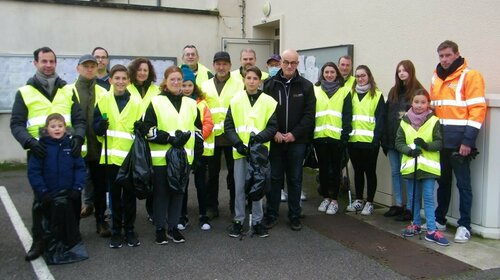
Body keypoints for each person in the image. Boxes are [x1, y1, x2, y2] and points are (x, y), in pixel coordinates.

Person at [10, 46, 86, 261]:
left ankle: (71, 237)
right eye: (43, 61)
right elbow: (16, 124)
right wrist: (30, 143)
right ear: (35, 63)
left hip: (66, 150)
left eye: (51, 61)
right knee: (42, 200)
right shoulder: (25, 92)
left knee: (72, 197)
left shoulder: (67, 90)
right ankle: (40, 241)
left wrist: (78, 138)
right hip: (41, 153)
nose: (48, 65)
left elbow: (79, 120)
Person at [429, 40, 486, 243]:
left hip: (461, 143)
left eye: (447, 55)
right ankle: (439, 219)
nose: (444, 59)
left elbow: (477, 111)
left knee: (463, 185)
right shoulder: (436, 77)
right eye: (441, 56)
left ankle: (465, 225)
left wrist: (468, 141)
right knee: (442, 183)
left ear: (456, 54)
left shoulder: (470, 76)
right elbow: (432, 109)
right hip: (440, 142)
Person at [143, 66, 201, 244]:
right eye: (172, 80)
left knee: (178, 194)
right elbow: (148, 130)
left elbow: (198, 131)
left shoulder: (191, 103)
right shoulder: (156, 102)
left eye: (179, 80)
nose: (176, 83)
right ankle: (160, 228)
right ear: (165, 82)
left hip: (184, 158)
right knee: (161, 194)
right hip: (162, 158)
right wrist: (168, 138)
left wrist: (198, 156)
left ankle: (174, 227)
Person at [262, 49, 316, 231]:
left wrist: (294, 134)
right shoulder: (269, 85)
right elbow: (265, 113)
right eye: (286, 62)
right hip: (275, 140)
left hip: (297, 141)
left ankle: (294, 215)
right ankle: (272, 214)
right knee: (275, 178)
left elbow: (309, 116)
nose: (289, 66)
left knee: (295, 179)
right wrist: (274, 132)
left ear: (297, 64)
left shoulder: (306, 86)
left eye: (293, 63)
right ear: (280, 63)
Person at [224, 66, 278, 238]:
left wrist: (260, 138)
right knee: (240, 188)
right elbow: (229, 126)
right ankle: (239, 221)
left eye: (255, 78)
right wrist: (237, 143)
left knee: (257, 188)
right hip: (241, 151)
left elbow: (273, 126)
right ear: (244, 80)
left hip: (259, 153)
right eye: (249, 78)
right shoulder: (235, 100)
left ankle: (257, 222)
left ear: (260, 81)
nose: (252, 81)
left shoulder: (269, 101)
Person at [27, 113, 88, 263]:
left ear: (65, 129)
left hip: (70, 193)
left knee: (70, 221)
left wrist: (77, 188)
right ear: (47, 129)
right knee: (50, 223)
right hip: (49, 194)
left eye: (60, 126)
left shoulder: (71, 146)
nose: (57, 129)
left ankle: (71, 246)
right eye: (53, 126)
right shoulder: (41, 148)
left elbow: (80, 168)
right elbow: (34, 172)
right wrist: (42, 191)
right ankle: (50, 247)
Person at [94, 64, 142, 248]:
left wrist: (141, 129)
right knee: (114, 197)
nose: (121, 81)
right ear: (110, 80)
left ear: (129, 81)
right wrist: (99, 127)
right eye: (117, 78)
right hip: (111, 158)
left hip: (129, 159)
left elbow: (140, 130)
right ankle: (116, 231)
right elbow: (96, 127)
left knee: (129, 197)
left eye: (124, 78)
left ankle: (129, 230)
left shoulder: (136, 103)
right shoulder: (104, 101)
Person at [396, 89, 449, 246]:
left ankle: (432, 230)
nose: (419, 105)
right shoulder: (404, 121)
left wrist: (426, 145)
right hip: (412, 167)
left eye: (423, 102)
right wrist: (409, 151)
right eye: (416, 102)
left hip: (428, 168)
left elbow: (439, 143)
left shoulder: (434, 121)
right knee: (413, 198)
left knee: (428, 198)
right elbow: (398, 142)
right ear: (412, 103)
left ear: (428, 104)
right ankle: (416, 224)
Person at [65, 54, 110, 238]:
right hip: (75, 148)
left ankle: (101, 222)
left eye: (92, 66)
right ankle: (74, 226)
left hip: (97, 147)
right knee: (75, 189)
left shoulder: (103, 91)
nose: (90, 69)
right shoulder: (67, 91)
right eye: (86, 66)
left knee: (100, 189)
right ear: (78, 68)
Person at [202, 51, 244, 219]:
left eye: (225, 64)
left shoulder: (239, 84)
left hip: (232, 137)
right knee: (211, 175)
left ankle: (235, 206)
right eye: (218, 64)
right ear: (213, 65)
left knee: (235, 176)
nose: (221, 67)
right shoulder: (205, 85)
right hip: (212, 138)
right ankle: (212, 207)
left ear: (230, 66)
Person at [382, 60, 424, 222]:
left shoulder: (418, 92)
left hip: (408, 143)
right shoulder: (394, 91)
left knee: (408, 174)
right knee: (395, 172)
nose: (401, 73)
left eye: (405, 70)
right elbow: (387, 116)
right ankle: (398, 204)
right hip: (391, 140)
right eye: (399, 71)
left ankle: (411, 208)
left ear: (411, 72)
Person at [346, 65, 385, 215]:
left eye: (363, 75)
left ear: (369, 76)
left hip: (370, 143)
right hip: (354, 141)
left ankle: (369, 202)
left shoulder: (377, 95)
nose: (360, 78)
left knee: (370, 172)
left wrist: (376, 140)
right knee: (357, 171)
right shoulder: (351, 94)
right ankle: (359, 200)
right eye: (357, 76)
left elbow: (380, 120)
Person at [314, 62, 352, 215]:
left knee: (336, 170)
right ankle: (325, 197)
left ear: (337, 74)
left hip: (337, 138)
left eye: (332, 72)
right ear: (322, 74)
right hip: (320, 137)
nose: (329, 75)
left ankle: (334, 199)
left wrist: (344, 137)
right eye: (326, 72)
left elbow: (347, 115)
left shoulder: (344, 91)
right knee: (322, 169)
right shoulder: (315, 90)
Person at [179, 64, 214, 231]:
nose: (186, 88)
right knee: (182, 185)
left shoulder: (202, 104)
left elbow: (208, 123)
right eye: (183, 85)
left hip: (200, 151)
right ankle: (182, 216)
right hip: (183, 151)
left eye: (189, 85)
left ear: (194, 86)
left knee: (201, 184)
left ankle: (203, 215)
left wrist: (197, 138)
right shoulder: (176, 103)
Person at [127, 57, 161, 222]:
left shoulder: (156, 90)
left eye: (145, 70)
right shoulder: (127, 87)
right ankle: (129, 214)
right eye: (139, 70)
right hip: (131, 137)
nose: (142, 73)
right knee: (132, 176)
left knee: (151, 176)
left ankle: (152, 210)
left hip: (149, 137)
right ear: (134, 71)